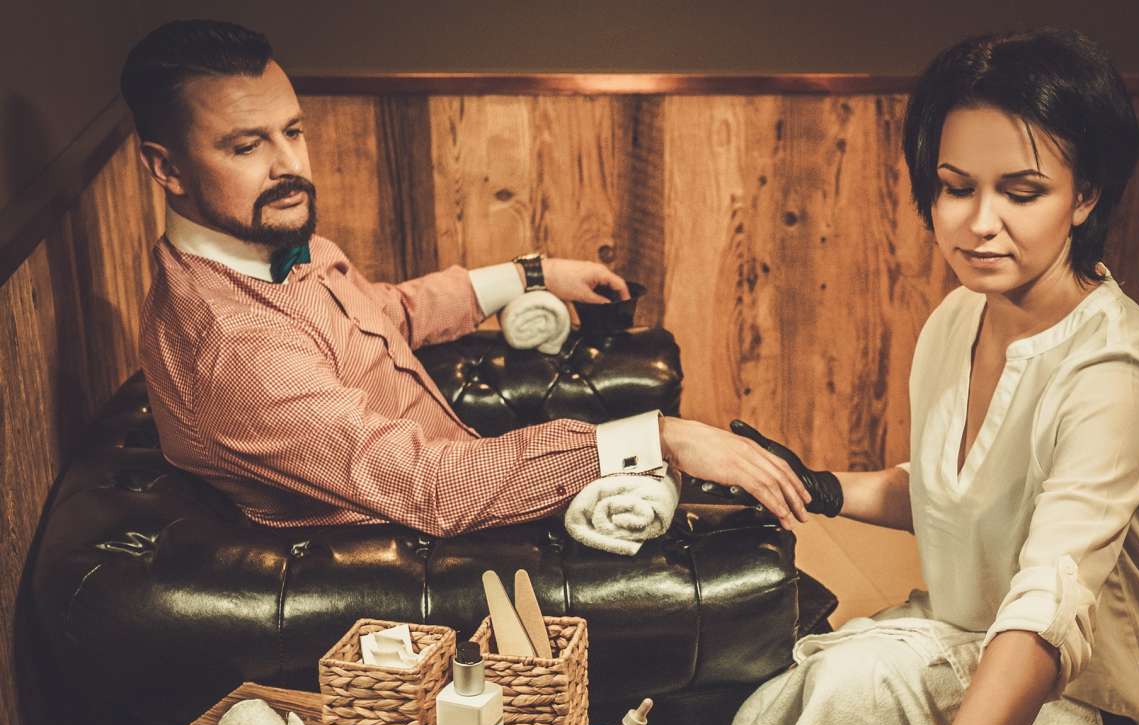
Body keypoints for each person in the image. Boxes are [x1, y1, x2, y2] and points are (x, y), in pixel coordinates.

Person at [725, 28, 1139, 725]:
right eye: (955, 187)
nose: (980, 223)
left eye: (1022, 193)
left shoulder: (1116, 372)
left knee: (854, 696)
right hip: (963, 640)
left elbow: (1050, 598)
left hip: (1099, 704)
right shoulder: (956, 318)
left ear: (1086, 197)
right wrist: (818, 486)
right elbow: (955, 486)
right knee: (776, 700)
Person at [119, 20, 810, 537]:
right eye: (246, 146)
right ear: (167, 168)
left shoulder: (267, 242)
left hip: (475, 489)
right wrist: (656, 436)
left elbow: (381, 312)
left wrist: (528, 274)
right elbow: (428, 487)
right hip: (440, 564)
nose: (287, 166)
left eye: (292, 132)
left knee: (747, 501)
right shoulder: (238, 352)